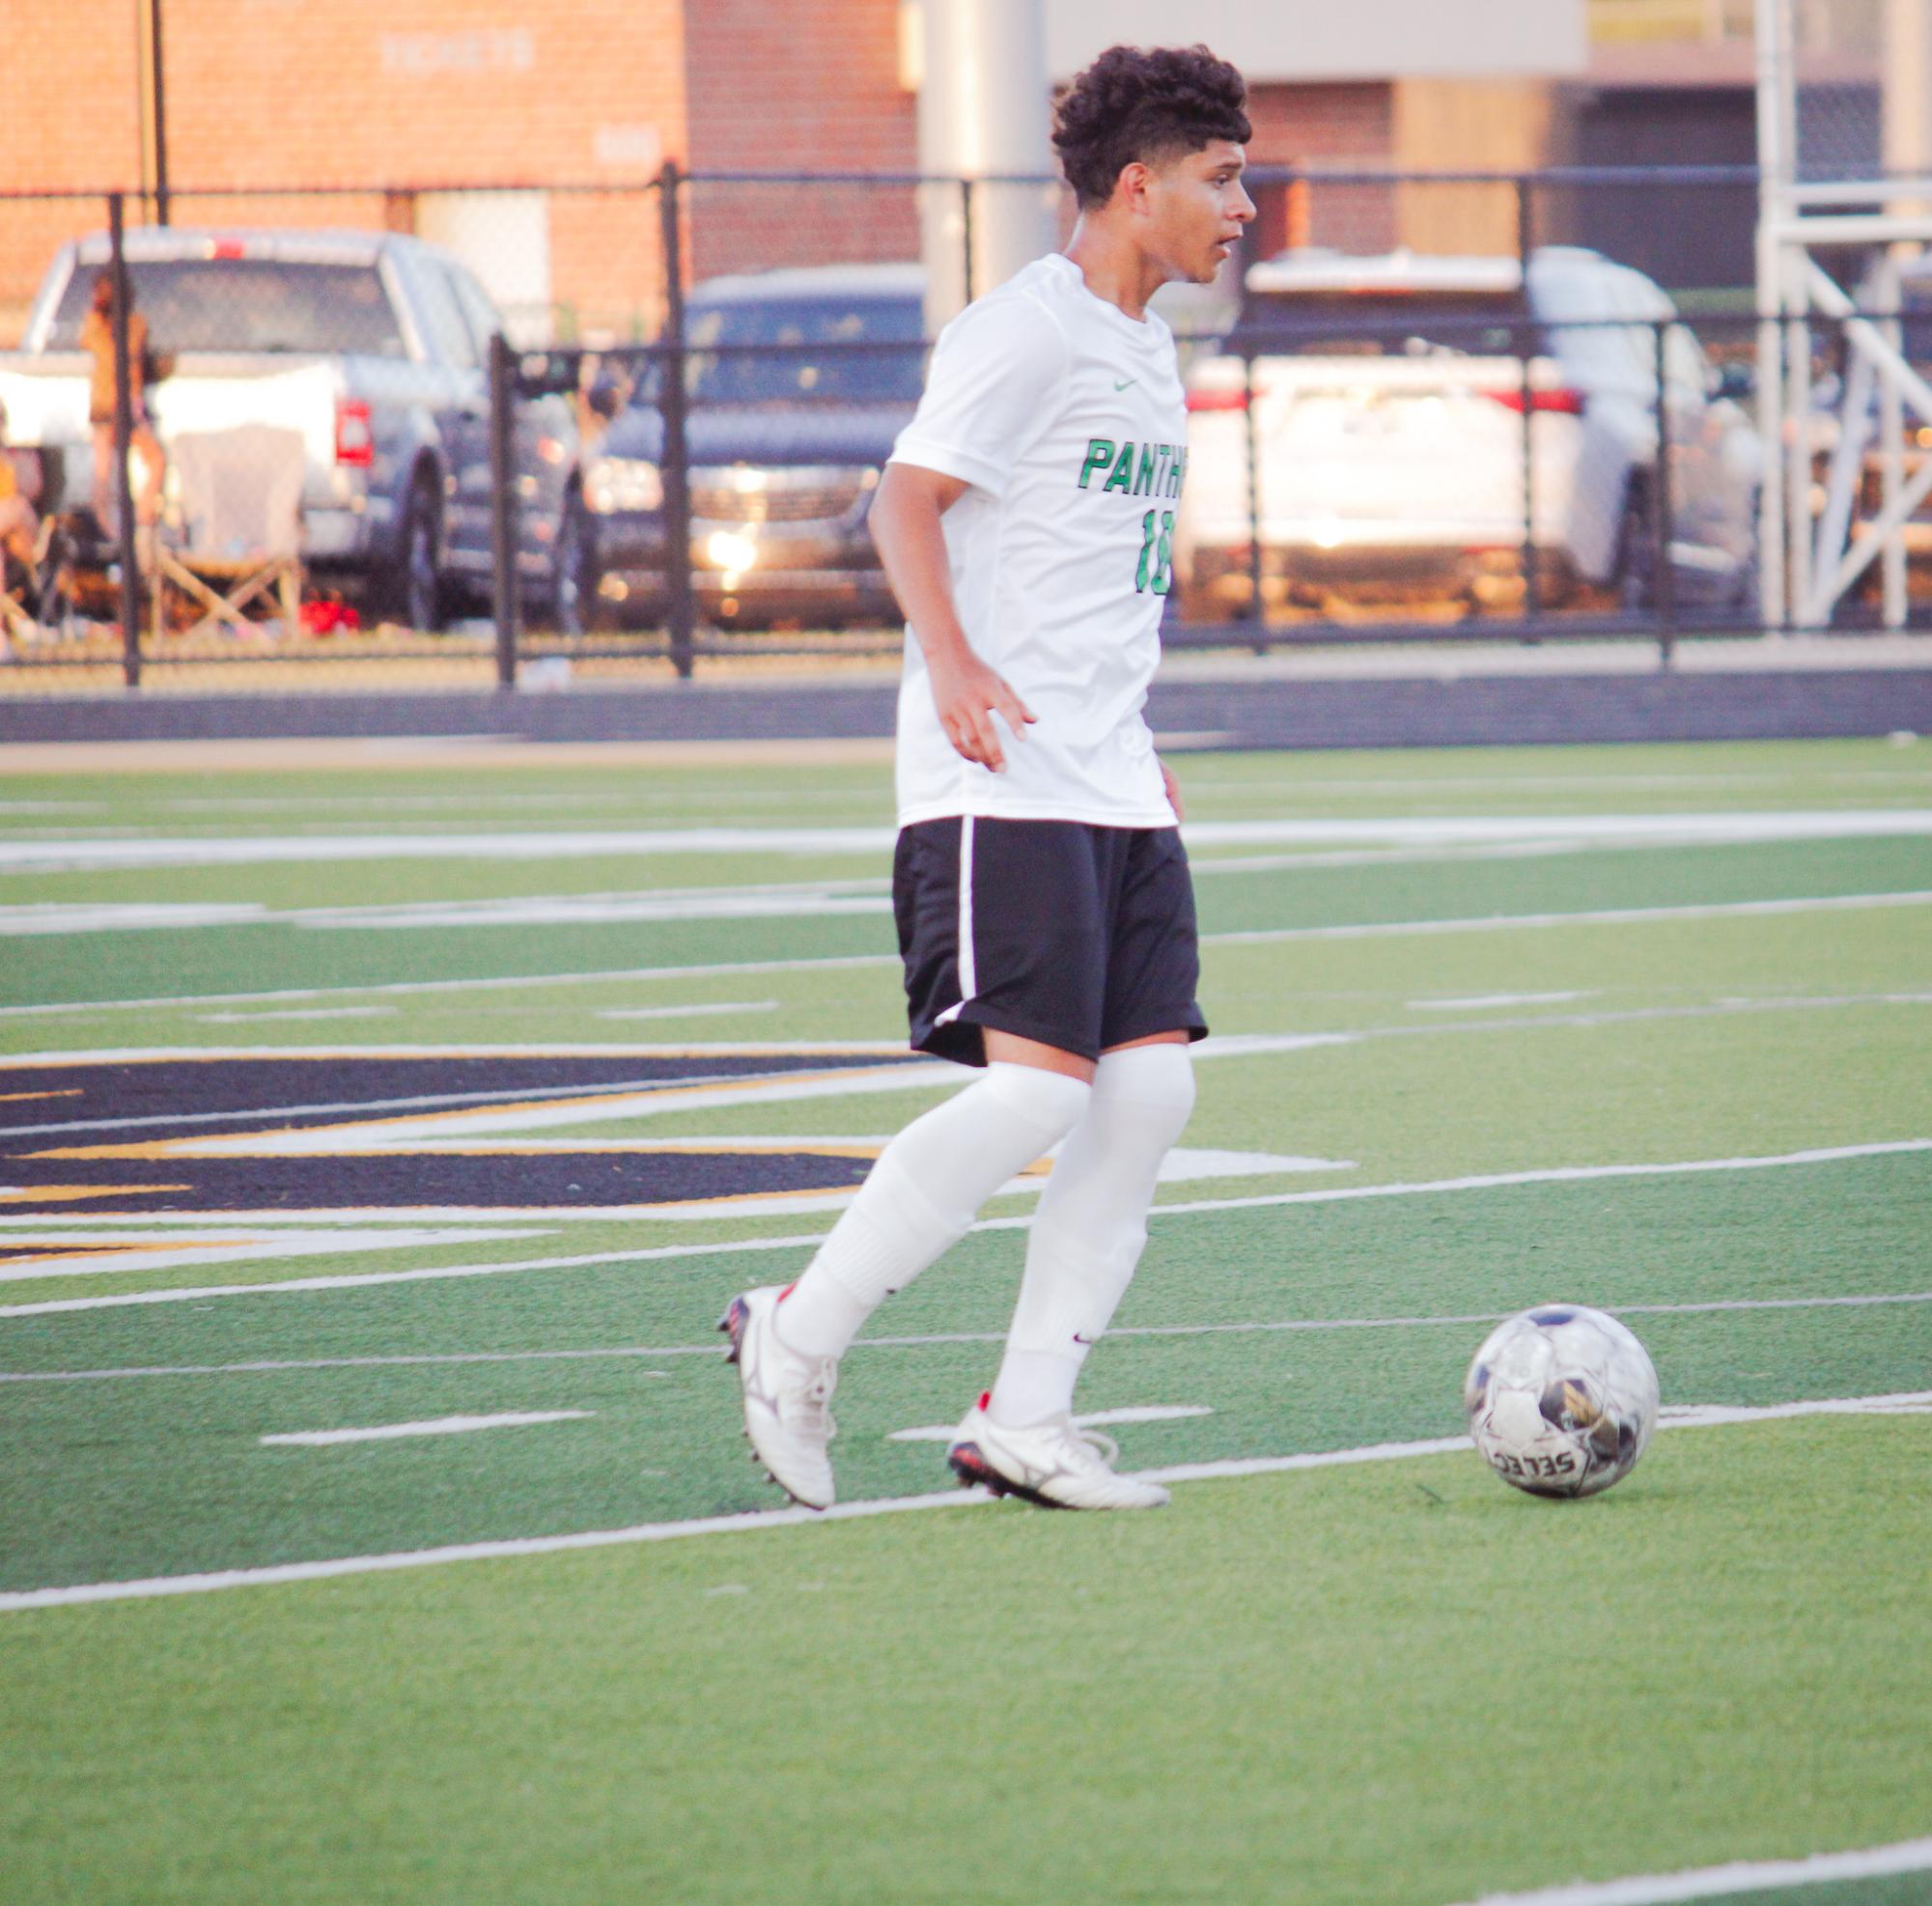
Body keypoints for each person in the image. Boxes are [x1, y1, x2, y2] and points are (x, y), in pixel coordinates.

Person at [721, 43, 1255, 1512]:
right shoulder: (1027, 329)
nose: (1244, 205)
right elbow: (904, 498)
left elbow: (1099, 583)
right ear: (1135, 186)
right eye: (1220, 179)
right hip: (998, 779)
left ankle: (1027, 1411)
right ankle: (798, 1327)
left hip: (1111, 782)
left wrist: (1137, 754)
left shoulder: (1149, 350)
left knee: (1147, 1096)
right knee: (1034, 1098)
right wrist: (950, 660)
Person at [79, 271, 164, 532]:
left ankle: (144, 516)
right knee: (104, 469)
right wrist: (101, 316)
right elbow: (100, 350)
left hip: (130, 408)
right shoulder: (96, 326)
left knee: (156, 459)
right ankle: (104, 527)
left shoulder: (136, 325)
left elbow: (136, 359)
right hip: (105, 408)